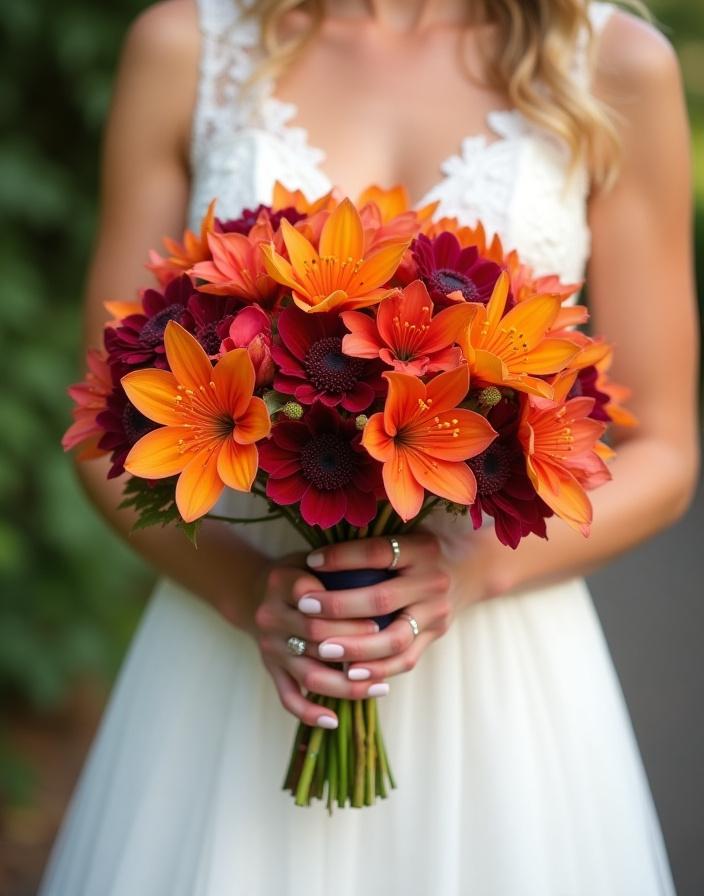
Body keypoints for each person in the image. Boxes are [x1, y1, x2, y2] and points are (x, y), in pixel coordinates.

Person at [39, 0, 698, 893]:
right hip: (236, 647)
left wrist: (467, 571)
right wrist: (246, 593)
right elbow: (103, 423)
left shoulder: (617, 63)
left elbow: (663, 449)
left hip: (496, 668)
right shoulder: (188, 45)